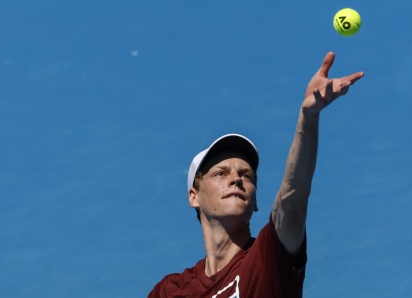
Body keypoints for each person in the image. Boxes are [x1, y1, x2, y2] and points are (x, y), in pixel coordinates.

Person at [148, 52, 364, 298]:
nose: (237, 179)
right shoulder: (170, 291)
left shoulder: (268, 257)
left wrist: (309, 117)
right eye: (220, 173)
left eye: (247, 175)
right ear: (194, 196)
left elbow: (292, 201)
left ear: (256, 202)